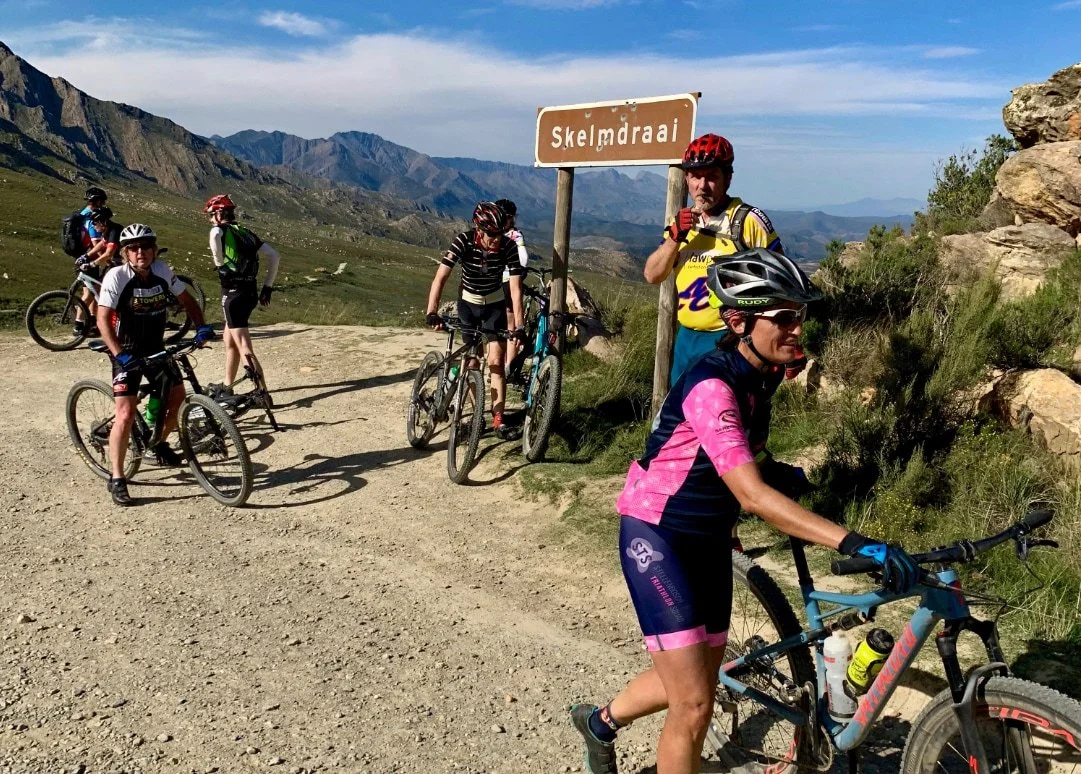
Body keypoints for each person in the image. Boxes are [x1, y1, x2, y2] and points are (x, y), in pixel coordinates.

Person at [570, 250, 918, 774]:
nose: (797, 329)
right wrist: (853, 542)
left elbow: (742, 459)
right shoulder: (713, 386)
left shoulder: (762, 374)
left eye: (800, 315)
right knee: (693, 706)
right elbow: (753, 496)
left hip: (709, 537)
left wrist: (778, 471)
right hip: (658, 535)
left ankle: (600, 722)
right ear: (738, 321)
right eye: (783, 318)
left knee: (698, 683)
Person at [643, 134, 804, 388]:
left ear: (727, 178)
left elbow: (785, 282)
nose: (702, 186)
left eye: (711, 177)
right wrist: (675, 238)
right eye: (696, 177)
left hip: (731, 340)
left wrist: (789, 339)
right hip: (687, 338)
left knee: (725, 416)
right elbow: (652, 275)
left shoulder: (748, 221)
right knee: (681, 418)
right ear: (687, 179)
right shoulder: (683, 223)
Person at [95, 224, 213, 506]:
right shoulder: (117, 276)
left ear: (153, 249)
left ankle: (157, 443)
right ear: (125, 253)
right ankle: (118, 477)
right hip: (126, 350)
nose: (140, 253)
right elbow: (102, 319)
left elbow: (187, 300)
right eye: (133, 248)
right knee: (124, 413)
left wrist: (202, 327)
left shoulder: (162, 270)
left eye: (145, 247)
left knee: (177, 397)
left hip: (155, 347)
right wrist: (119, 353)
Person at [425, 201, 525, 436]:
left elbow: (516, 290)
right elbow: (441, 277)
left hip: (495, 306)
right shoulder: (464, 241)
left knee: (497, 363)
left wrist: (519, 325)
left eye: (499, 233)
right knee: (472, 362)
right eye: (491, 234)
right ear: (479, 230)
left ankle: (499, 420)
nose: (496, 239)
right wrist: (431, 311)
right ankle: (476, 412)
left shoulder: (508, 247)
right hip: (468, 305)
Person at [203, 194, 281, 395]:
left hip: (233, 294)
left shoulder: (218, 230)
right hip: (250, 291)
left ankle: (262, 391)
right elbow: (274, 255)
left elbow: (214, 235)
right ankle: (227, 385)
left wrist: (219, 263)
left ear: (219, 215)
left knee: (244, 345)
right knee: (229, 339)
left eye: (211, 216)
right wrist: (268, 286)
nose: (210, 220)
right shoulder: (245, 232)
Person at [72, 206, 121, 336]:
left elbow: (108, 254)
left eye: (95, 223)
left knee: (109, 289)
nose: (94, 225)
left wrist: (92, 264)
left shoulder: (114, 231)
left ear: (103, 222)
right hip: (116, 263)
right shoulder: (107, 230)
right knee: (99, 289)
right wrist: (86, 256)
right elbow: (101, 245)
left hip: (122, 264)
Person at [495, 198, 531, 375]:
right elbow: (523, 260)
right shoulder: (515, 235)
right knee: (511, 325)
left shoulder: (489, 233)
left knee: (493, 325)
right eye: (512, 217)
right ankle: (508, 367)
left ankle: (493, 366)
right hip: (509, 282)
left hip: (493, 283)